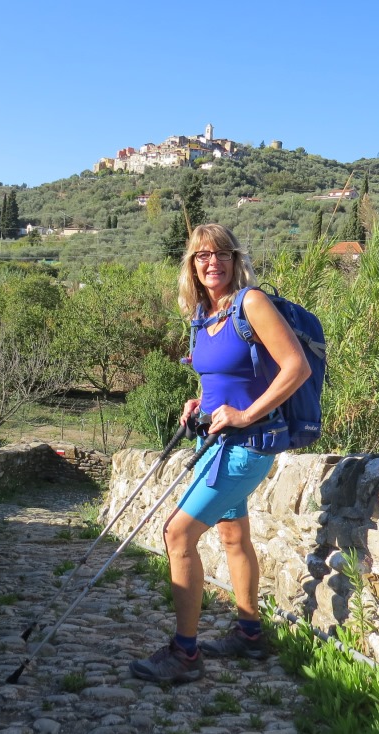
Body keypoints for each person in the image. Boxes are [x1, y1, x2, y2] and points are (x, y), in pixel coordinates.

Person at [129, 223, 310, 684]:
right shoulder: (203, 315)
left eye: (222, 253)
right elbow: (221, 378)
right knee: (232, 536)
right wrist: (200, 403)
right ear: (191, 265)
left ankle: (185, 654)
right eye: (203, 255)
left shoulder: (251, 303)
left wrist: (246, 414)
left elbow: (297, 367)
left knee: (176, 534)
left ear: (235, 260)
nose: (213, 262)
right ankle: (250, 635)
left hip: (247, 445)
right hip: (211, 442)